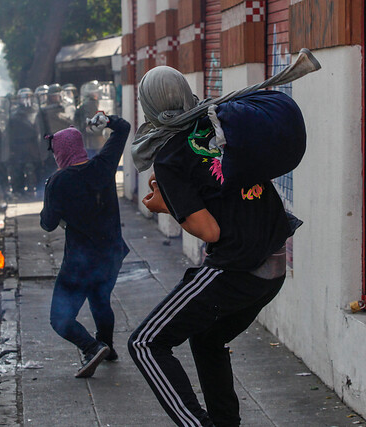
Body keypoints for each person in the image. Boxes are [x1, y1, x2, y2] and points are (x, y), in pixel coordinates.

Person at [127, 66, 300, 426]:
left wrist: (166, 205)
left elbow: (209, 231)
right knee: (206, 339)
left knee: (145, 344)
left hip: (239, 268)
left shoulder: (170, 156)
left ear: (149, 108)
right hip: (274, 263)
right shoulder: (220, 122)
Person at [40, 115, 131, 378]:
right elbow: (123, 128)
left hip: (79, 263)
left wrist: (50, 194)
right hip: (112, 254)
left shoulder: (58, 182)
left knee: (60, 319)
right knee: (100, 300)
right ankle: (109, 349)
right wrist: (105, 120)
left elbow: (47, 224)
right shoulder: (103, 165)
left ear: (61, 152)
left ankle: (92, 347)